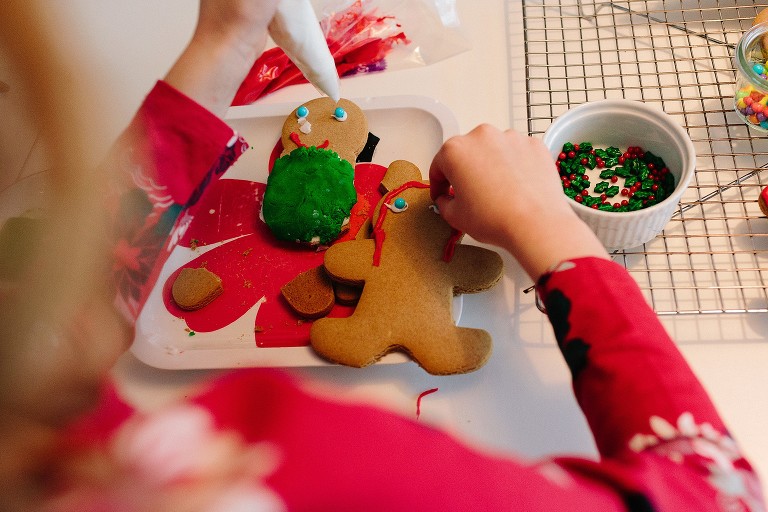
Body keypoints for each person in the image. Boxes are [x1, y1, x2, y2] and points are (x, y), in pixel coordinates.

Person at [0, 1, 764, 511]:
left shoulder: (36, 394)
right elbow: (713, 492)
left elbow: (59, 312)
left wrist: (223, 44)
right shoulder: (260, 469)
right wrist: (548, 227)